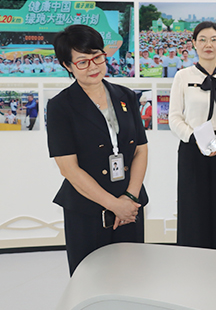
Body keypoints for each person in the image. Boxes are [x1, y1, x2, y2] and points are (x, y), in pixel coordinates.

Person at [47, 24, 149, 276]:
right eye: (82, 62)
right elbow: (68, 168)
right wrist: (114, 205)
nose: (93, 66)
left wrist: (130, 198)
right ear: (67, 66)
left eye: (97, 57)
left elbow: (140, 150)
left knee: (131, 276)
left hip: (130, 206)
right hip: (87, 210)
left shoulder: (126, 96)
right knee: (90, 280)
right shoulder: (61, 106)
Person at [169, 21, 216, 249]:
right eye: (202, 39)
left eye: (214, 39)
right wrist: (195, 138)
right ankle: (192, 262)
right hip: (192, 151)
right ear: (194, 44)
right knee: (192, 211)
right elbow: (174, 118)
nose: (208, 44)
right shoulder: (182, 76)